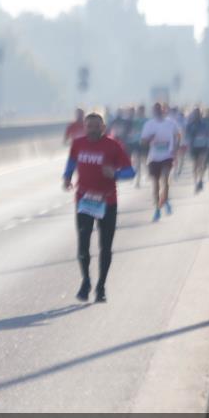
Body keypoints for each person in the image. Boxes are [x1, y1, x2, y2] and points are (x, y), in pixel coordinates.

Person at [63, 112, 135, 302]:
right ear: (85, 128)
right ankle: (86, 281)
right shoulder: (78, 144)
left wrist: (116, 174)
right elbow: (71, 162)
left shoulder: (113, 146)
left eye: (96, 126)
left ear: (103, 128)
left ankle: (101, 286)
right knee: (83, 244)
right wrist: (67, 177)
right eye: (89, 126)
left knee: (106, 246)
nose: (93, 130)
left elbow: (130, 172)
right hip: (84, 200)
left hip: (107, 202)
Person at [141, 103, 179, 221]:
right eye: (156, 109)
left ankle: (166, 201)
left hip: (167, 155)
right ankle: (157, 208)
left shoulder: (171, 123)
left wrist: (175, 149)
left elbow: (178, 135)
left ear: (164, 110)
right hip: (154, 157)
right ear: (153, 111)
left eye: (160, 109)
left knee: (165, 178)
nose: (158, 111)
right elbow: (143, 142)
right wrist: (149, 139)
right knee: (156, 184)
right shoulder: (149, 124)